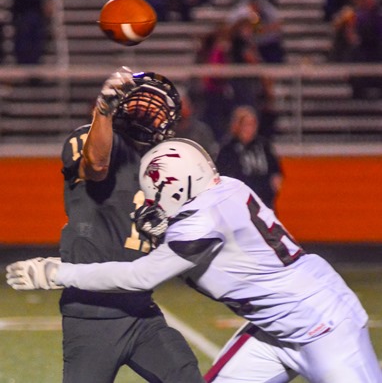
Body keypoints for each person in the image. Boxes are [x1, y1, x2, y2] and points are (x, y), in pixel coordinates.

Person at [7, 138, 382, 383]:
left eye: (156, 190)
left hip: (324, 326)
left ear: (174, 182)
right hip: (274, 327)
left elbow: (140, 276)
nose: (152, 200)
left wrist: (57, 271)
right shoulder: (228, 188)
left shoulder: (202, 220)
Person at [10, 68, 205, 383]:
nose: (148, 114)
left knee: (184, 373)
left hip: (141, 311)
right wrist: (103, 111)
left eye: (156, 110)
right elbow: (97, 165)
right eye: (142, 105)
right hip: (91, 313)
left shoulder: (163, 166)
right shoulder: (92, 138)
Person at [216, 105, 282, 210]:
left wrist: (272, 189)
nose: (250, 128)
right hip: (239, 204)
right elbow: (225, 176)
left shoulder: (263, 145)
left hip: (264, 202)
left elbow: (275, 171)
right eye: (246, 124)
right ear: (237, 126)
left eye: (253, 124)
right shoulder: (228, 149)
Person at [10, 0, 49, 64]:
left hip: (27, 16)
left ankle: (29, 64)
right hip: (32, 16)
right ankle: (30, 63)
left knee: (28, 44)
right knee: (31, 44)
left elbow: (17, 2)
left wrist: (14, 17)